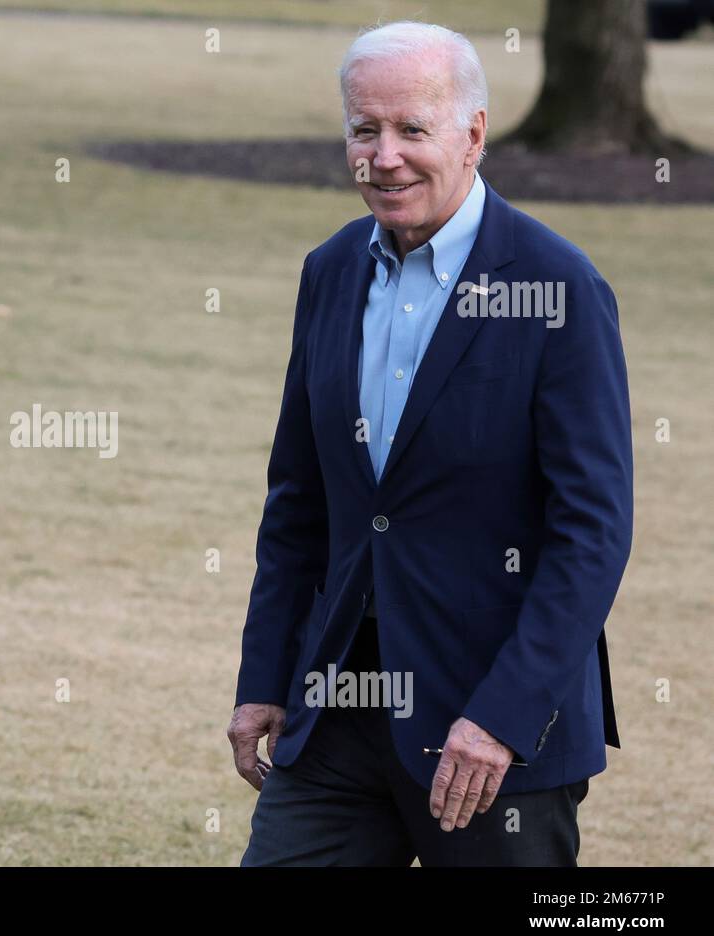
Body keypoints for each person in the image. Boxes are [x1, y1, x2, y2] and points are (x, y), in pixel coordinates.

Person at [228, 22, 632, 866]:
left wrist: (503, 719)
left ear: (473, 133)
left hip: (491, 731)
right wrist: (264, 678)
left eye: (412, 129)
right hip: (338, 707)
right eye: (363, 130)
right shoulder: (330, 270)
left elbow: (591, 533)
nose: (384, 157)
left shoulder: (558, 287)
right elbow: (298, 498)